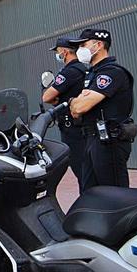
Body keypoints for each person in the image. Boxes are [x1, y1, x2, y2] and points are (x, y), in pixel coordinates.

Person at [69, 29, 136, 189]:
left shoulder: (111, 72)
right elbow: (75, 109)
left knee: (115, 196)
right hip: (92, 139)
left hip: (109, 142)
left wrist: (76, 101)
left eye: (83, 45)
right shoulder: (92, 74)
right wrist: (76, 101)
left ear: (98, 45)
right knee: (90, 193)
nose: (79, 51)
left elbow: (80, 107)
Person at [42, 37, 89, 193]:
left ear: (64, 51)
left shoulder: (70, 72)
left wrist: (54, 98)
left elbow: (47, 97)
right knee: (86, 169)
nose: (57, 54)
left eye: (57, 51)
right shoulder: (83, 69)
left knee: (81, 169)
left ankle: (87, 203)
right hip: (83, 127)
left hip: (73, 130)